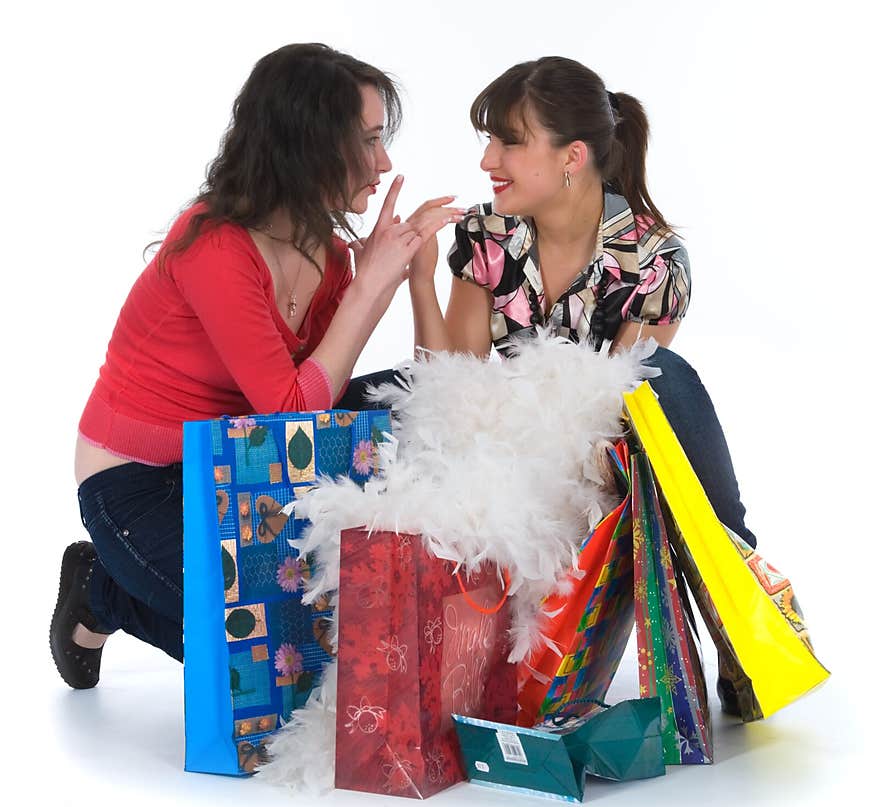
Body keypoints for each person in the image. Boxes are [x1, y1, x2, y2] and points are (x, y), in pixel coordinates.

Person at [336, 56, 755, 715]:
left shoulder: (654, 259)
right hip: (507, 426)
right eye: (488, 140)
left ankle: (738, 609)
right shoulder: (487, 235)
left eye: (509, 141)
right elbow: (450, 385)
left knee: (665, 381)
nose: (487, 162)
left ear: (573, 156)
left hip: (606, 451)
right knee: (358, 396)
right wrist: (418, 279)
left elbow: (614, 406)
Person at [52, 43, 464, 690]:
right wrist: (368, 287)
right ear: (309, 144)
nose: (384, 163)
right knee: (272, 665)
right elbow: (293, 411)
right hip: (139, 483)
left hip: (238, 458)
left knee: (411, 396)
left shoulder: (326, 253)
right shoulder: (215, 246)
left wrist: (406, 279)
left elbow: (319, 399)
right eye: (369, 141)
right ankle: (100, 590)